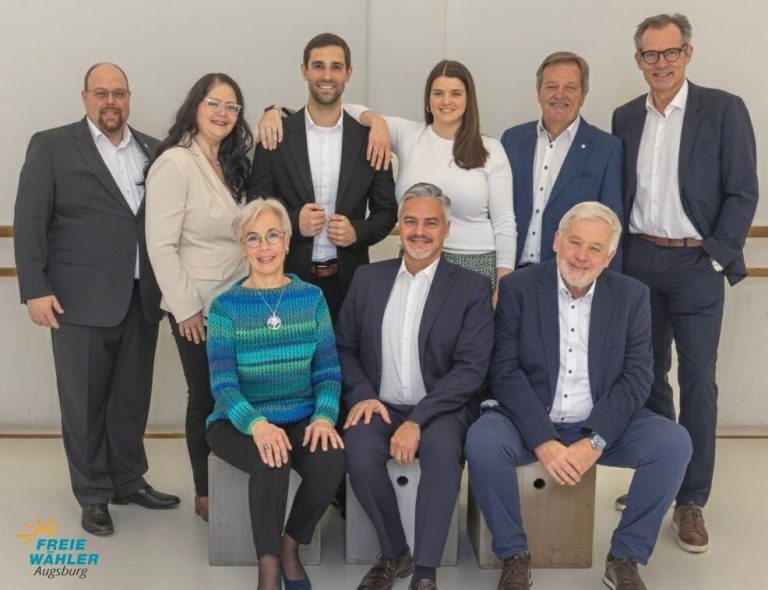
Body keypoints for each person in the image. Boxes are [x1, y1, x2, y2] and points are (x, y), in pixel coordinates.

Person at [464, 202, 692, 590]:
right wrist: (542, 438)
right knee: (483, 442)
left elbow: (638, 376)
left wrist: (596, 440)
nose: (582, 256)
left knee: (674, 443)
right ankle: (514, 554)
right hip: (528, 419)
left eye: (595, 248)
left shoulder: (632, 296)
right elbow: (503, 369)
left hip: (600, 422)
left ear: (609, 256)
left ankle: (625, 557)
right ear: (556, 241)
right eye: (575, 242)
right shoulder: (520, 288)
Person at [611, 13, 759, 552]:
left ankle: (691, 498)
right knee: (646, 374)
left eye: (671, 52)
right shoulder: (626, 116)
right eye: (651, 54)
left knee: (698, 381)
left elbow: (743, 191)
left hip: (696, 262)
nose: (662, 63)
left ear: (688, 54)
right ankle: (662, 475)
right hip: (639, 260)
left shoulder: (722, 109)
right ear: (638, 60)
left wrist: (716, 257)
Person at [13, 63, 179, 536]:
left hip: (141, 297)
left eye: (119, 93)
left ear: (129, 98)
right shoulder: (51, 146)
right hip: (78, 301)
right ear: (85, 97)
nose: (111, 101)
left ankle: (128, 480)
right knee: (84, 403)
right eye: (101, 93)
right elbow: (29, 220)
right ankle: (92, 494)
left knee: (131, 399)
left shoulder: (153, 149)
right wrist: (35, 289)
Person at [336, 183, 495, 590]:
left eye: (430, 223)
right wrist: (363, 397)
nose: (419, 231)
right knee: (358, 452)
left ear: (447, 230)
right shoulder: (368, 278)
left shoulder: (472, 287)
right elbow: (344, 348)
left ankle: (424, 572)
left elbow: (471, 369)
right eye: (410, 221)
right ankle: (395, 553)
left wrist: (417, 420)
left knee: (442, 456)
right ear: (398, 226)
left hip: (441, 408)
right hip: (380, 404)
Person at [259, 59, 516, 297]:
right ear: (428, 101)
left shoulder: (490, 149)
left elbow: (504, 223)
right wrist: (274, 111)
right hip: (415, 258)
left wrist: (503, 282)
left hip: (473, 261)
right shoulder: (408, 135)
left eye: (456, 93)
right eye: (438, 93)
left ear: (469, 100)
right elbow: (336, 108)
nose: (446, 101)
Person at [206, 198, 345, 590]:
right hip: (236, 421)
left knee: (331, 458)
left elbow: (328, 372)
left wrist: (324, 417)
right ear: (243, 247)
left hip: (299, 414)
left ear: (287, 242)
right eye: (253, 238)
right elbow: (223, 385)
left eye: (272, 235)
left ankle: (290, 545)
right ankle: (268, 571)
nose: (264, 246)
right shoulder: (225, 308)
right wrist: (258, 425)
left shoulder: (311, 299)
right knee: (270, 459)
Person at [145, 73, 253, 522]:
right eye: (214, 103)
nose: (223, 113)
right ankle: (205, 491)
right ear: (195, 106)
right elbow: (160, 244)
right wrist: (186, 308)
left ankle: (240, 481)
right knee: (206, 396)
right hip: (198, 306)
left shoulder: (229, 163)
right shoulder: (175, 162)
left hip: (239, 300)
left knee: (238, 392)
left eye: (232, 107)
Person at [248, 32, 397, 325]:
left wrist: (357, 232)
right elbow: (255, 205)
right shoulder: (276, 135)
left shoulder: (370, 139)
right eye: (318, 66)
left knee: (347, 356)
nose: (327, 76)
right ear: (304, 71)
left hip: (350, 284)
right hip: (286, 281)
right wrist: (293, 222)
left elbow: (387, 211)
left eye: (336, 67)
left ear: (348, 73)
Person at [500, 51, 623, 269]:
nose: (559, 95)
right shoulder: (512, 140)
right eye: (551, 86)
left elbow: (612, 226)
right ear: (538, 92)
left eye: (570, 88)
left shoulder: (606, 148)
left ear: (583, 95)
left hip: (569, 274)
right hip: (511, 272)